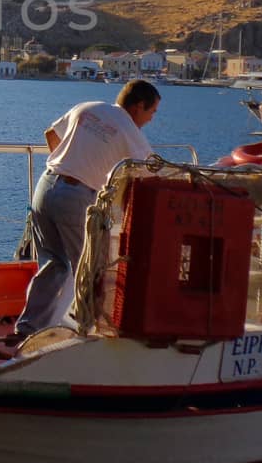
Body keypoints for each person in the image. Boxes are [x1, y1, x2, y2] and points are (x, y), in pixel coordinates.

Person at [13, 79, 161, 338]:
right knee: (94, 269)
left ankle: (27, 329)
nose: (151, 119)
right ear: (138, 106)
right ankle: (87, 332)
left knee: (53, 265)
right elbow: (150, 173)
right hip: (75, 198)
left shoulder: (87, 107)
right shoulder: (129, 130)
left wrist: (71, 168)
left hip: (46, 186)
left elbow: (51, 134)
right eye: (152, 112)